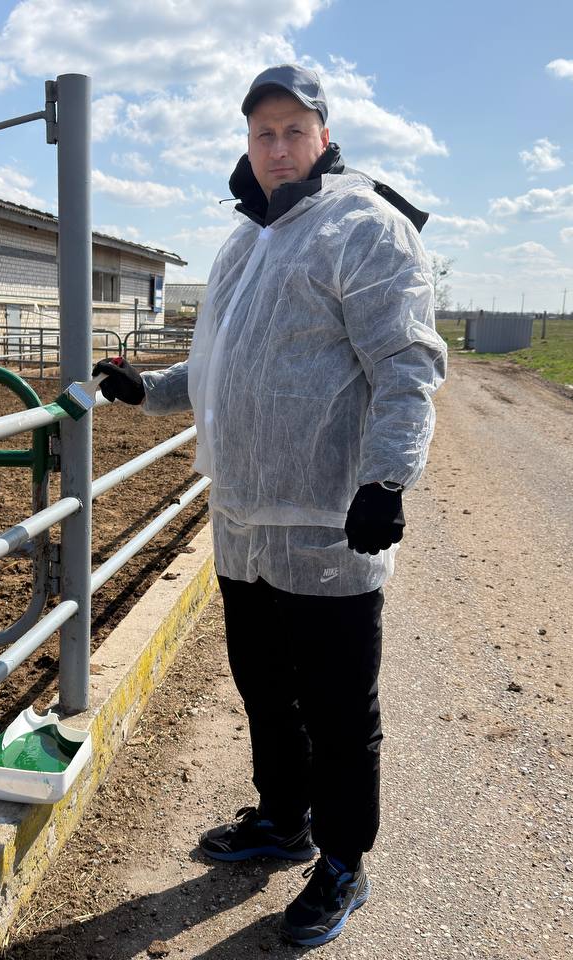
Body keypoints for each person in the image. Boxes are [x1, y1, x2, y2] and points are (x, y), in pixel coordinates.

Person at [93, 63, 446, 947]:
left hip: (330, 526)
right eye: (263, 133)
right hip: (245, 522)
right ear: (246, 147)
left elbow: (407, 368)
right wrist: (151, 390)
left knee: (336, 708)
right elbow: (222, 368)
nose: (278, 147)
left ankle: (342, 862)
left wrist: (386, 481)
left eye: (295, 130)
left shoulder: (364, 230)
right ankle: (282, 818)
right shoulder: (246, 242)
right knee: (264, 689)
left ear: (325, 137)